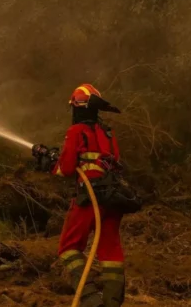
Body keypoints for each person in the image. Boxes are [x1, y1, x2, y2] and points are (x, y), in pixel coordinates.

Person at [51, 84, 127, 307]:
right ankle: (112, 303)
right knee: (110, 250)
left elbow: (66, 169)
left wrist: (51, 165)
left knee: (68, 247)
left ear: (78, 107)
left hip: (90, 195)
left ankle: (91, 301)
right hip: (113, 196)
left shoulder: (76, 131)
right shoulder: (108, 132)